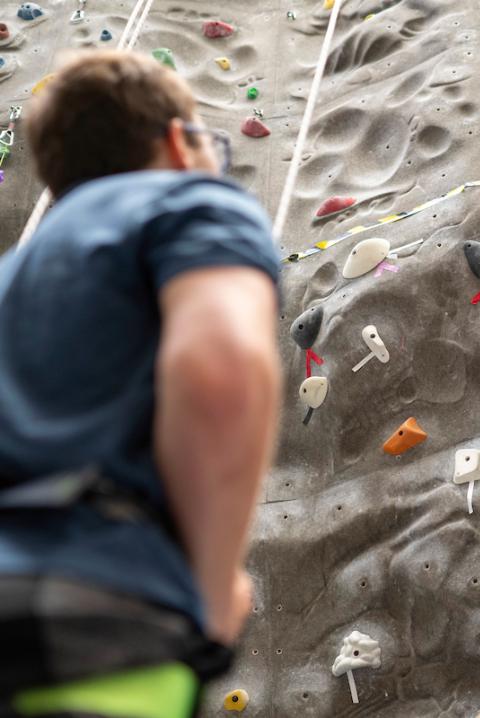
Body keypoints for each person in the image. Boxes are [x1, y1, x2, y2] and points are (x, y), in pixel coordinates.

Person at [0, 50, 281, 716]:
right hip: (95, 611)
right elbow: (218, 373)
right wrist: (213, 592)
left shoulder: (12, 279)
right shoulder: (185, 201)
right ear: (182, 143)